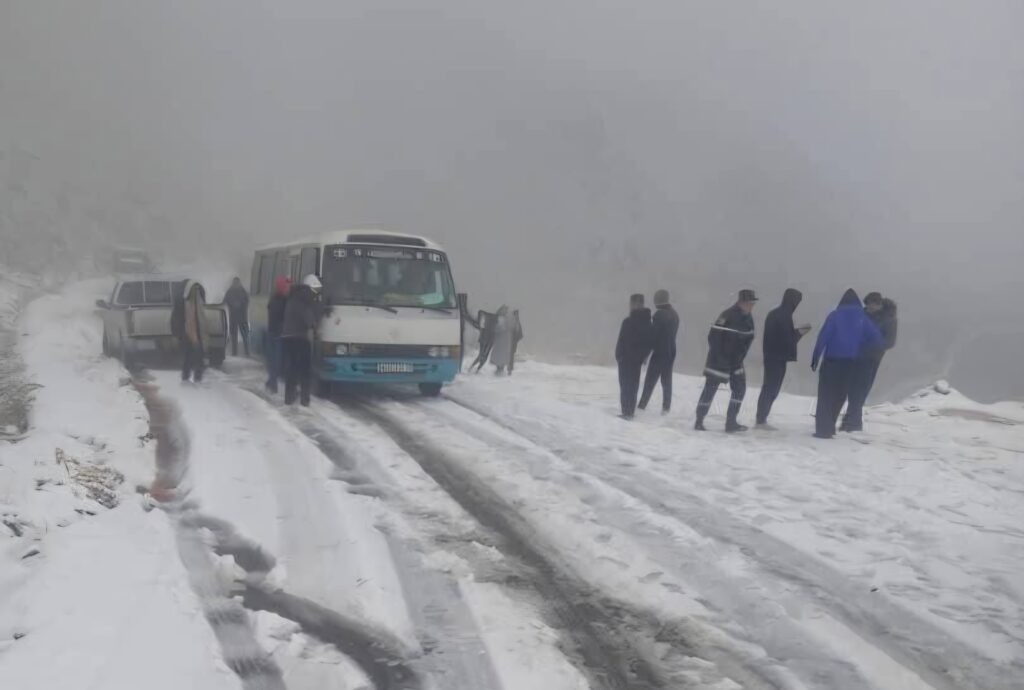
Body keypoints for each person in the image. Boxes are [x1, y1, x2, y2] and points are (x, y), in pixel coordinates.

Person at [810, 289, 883, 439]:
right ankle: (830, 427)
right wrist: (860, 346)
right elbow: (877, 339)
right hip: (850, 364)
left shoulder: (835, 316)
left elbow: (823, 336)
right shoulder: (862, 318)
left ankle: (822, 429)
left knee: (826, 395)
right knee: (840, 395)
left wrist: (816, 356)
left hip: (831, 362)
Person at [695, 290, 758, 432]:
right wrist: (721, 358)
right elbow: (713, 337)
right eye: (749, 303)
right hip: (718, 361)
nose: (752, 306)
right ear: (741, 302)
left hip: (736, 362)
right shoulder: (727, 315)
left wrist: (739, 358)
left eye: (753, 303)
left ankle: (731, 423)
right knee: (709, 390)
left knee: (740, 389)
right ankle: (699, 420)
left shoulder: (749, 319)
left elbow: (748, 340)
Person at [841, 292, 898, 431]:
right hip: (854, 356)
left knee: (861, 389)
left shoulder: (888, 319)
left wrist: (873, 343)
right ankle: (852, 420)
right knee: (852, 388)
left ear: (880, 304)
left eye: (874, 304)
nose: (871, 307)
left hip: (871, 358)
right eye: (868, 304)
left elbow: (890, 342)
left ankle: (853, 421)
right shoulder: (861, 314)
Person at [755, 289, 812, 427]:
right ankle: (761, 419)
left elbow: (780, 337)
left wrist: (796, 333)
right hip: (777, 359)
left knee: (769, 388)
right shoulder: (784, 316)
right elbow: (787, 340)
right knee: (771, 389)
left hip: (771, 356)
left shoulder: (775, 313)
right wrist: (800, 333)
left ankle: (761, 417)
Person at [281, 274, 322, 406]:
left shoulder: (294, 297)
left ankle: (289, 397)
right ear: (310, 288)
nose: (316, 293)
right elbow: (308, 319)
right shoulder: (304, 299)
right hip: (300, 337)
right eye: (315, 290)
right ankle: (305, 399)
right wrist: (315, 327)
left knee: (291, 368)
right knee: (305, 370)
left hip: (288, 337)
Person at [638, 289, 680, 414]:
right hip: (671, 350)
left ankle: (641, 406)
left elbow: (653, 336)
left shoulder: (659, 315)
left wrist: (645, 354)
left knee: (650, 381)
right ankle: (666, 408)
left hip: (659, 352)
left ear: (658, 300)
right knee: (666, 380)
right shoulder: (674, 314)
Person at [615, 294, 654, 419]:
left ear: (637, 304)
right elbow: (650, 343)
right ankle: (629, 411)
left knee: (626, 385)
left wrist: (619, 355)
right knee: (633, 385)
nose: (631, 306)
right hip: (635, 360)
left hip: (626, 359)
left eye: (632, 303)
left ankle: (627, 411)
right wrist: (643, 356)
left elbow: (621, 340)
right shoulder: (648, 323)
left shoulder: (628, 321)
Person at [170, 280, 209, 383]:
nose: (196, 292)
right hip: (186, 332)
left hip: (198, 332)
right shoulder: (182, 302)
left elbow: (202, 318)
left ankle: (197, 376)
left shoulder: (199, 301)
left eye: (197, 290)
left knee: (198, 355)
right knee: (189, 355)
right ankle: (186, 375)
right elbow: (176, 318)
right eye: (194, 290)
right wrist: (176, 334)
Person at [265, 275, 291, 394]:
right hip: (278, 334)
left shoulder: (274, 299)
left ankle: (271, 381)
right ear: (282, 288)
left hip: (273, 333)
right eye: (286, 286)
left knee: (273, 360)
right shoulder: (282, 301)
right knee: (276, 360)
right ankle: (273, 383)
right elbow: (281, 318)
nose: (288, 288)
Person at [490, 306, 523, 375]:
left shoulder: (502, 319)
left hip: (502, 341)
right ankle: (506, 369)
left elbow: (499, 328)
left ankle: (501, 369)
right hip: (508, 341)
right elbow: (516, 330)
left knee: (501, 355)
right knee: (506, 355)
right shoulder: (513, 320)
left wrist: (494, 331)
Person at [224, 277, 250, 356]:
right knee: (235, 336)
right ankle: (235, 352)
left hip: (241, 317)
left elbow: (247, 301)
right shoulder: (231, 291)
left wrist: (239, 305)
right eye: (235, 282)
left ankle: (246, 352)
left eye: (237, 282)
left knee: (244, 336)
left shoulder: (242, 291)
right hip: (235, 317)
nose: (236, 284)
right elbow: (225, 301)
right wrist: (234, 304)